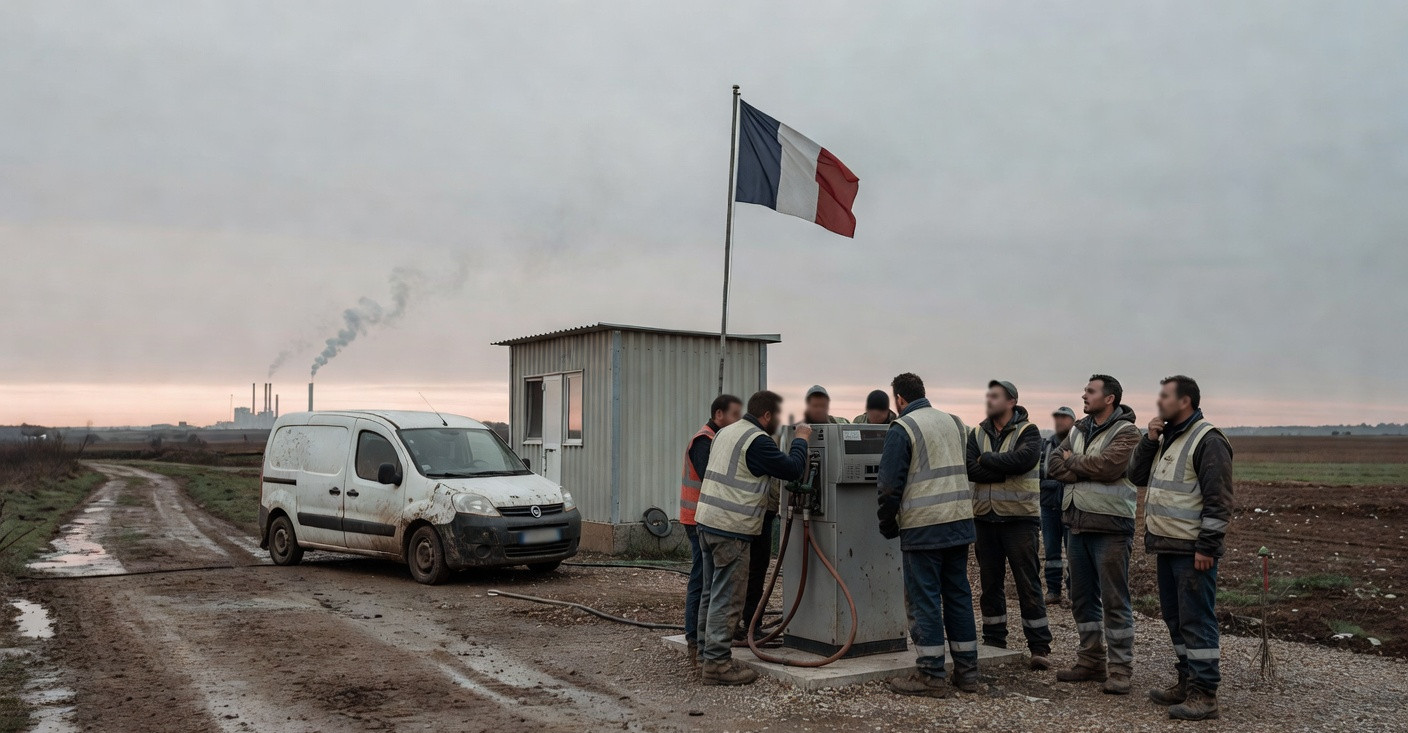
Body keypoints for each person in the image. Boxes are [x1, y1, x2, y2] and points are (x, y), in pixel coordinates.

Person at [1128, 376, 1233, 721]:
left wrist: (1207, 547)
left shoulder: (1208, 439)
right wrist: (1149, 439)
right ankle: (1186, 681)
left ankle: (1205, 694)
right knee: (1176, 619)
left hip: (1192, 551)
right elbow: (1136, 476)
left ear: (1184, 401)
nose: (1159, 402)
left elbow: (1219, 501)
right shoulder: (1167, 438)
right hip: (1167, 545)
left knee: (1196, 619)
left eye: (1165, 396)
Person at [694, 390, 811, 685]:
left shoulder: (726, 432)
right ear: (767, 416)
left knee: (711, 591)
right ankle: (717, 666)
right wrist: (801, 440)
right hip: (731, 528)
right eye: (777, 418)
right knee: (727, 596)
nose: (777, 424)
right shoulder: (756, 440)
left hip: (706, 523)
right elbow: (792, 469)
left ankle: (703, 653)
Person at [876, 373, 980, 697]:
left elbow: (889, 484)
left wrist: (887, 522)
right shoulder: (954, 423)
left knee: (924, 600)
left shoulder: (903, 428)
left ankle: (932, 674)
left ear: (899, 400)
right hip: (959, 522)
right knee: (958, 596)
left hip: (923, 525)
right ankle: (968, 673)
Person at [1045, 374, 1142, 695]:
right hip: (1077, 526)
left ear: (1110, 398)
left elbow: (1110, 467)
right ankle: (1090, 660)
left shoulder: (1127, 432)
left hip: (1111, 529)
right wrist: (1081, 463)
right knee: (1082, 598)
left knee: (1115, 600)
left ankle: (1120, 669)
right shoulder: (1077, 429)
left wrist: (1076, 462)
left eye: (1090, 391)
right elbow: (1054, 466)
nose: (1084, 396)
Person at [965, 380, 1051, 670]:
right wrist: (1002, 469)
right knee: (990, 585)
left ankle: (1039, 646)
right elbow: (971, 469)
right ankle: (993, 641)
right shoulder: (976, 432)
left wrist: (988, 460)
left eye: (996, 396)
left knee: (1028, 583)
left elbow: (1024, 461)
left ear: (1011, 401)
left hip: (1019, 520)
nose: (990, 400)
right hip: (985, 519)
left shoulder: (1029, 431)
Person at [679, 394, 743, 667]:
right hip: (697, 518)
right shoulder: (703, 441)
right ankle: (695, 639)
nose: (737, 421)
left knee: (707, 581)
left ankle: (701, 641)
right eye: (734, 416)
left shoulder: (714, 439)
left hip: (702, 518)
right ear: (719, 415)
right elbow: (712, 477)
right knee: (702, 581)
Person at [1040, 406, 1077, 605]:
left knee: (1073, 552)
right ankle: (1053, 591)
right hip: (1048, 507)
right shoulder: (1046, 445)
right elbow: (1039, 474)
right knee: (1052, 551)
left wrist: (1060, 478)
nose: (1060, 422)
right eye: (1058, 418)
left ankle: (1073, 592)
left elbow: (1079, 472)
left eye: (1064, 418)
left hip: (1071, 506)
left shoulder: (1078, 444)